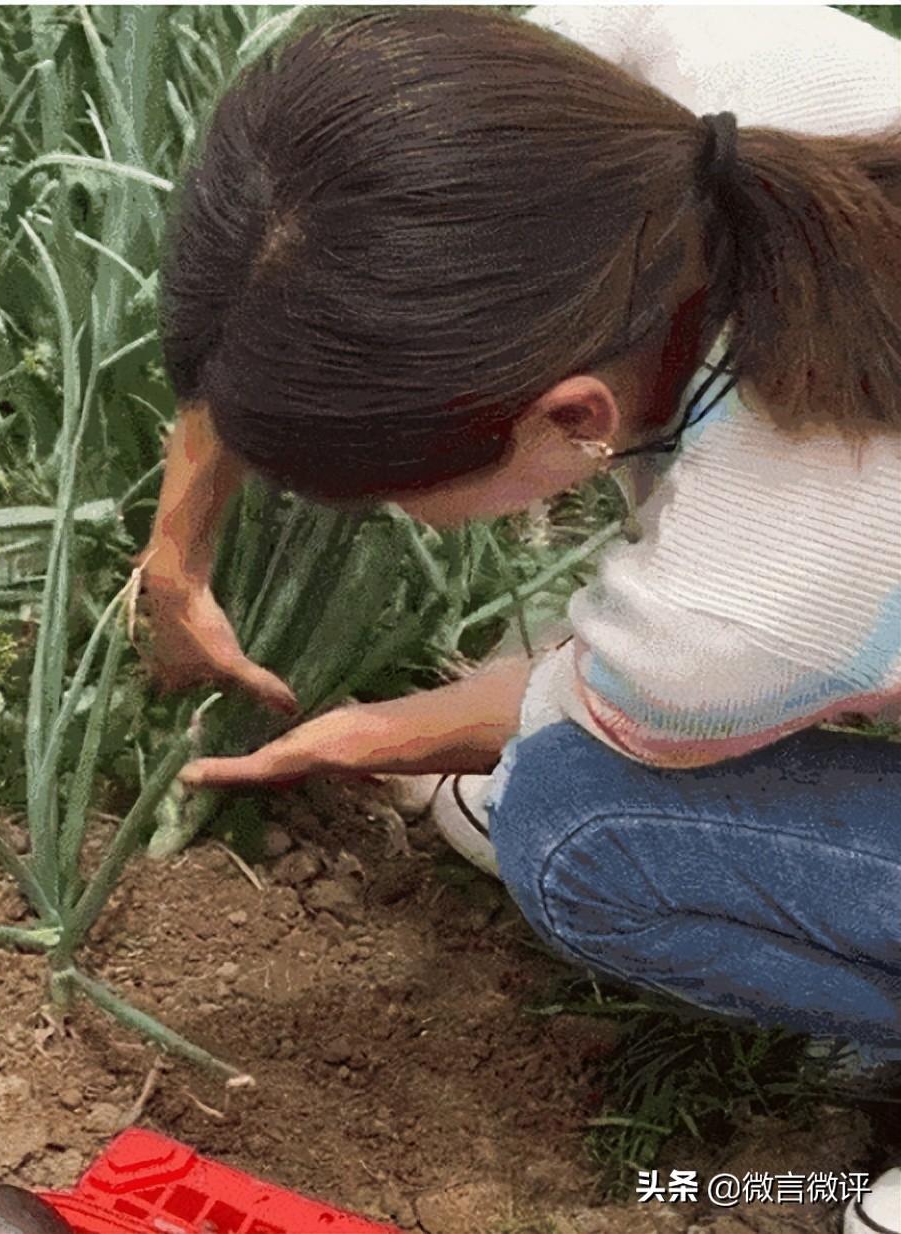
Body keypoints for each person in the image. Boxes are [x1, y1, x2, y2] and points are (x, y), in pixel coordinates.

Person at [134, 7, 901, 1231]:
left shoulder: (744, 596)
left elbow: (591, 694)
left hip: (795, 608)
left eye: (399, 493)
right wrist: (176, 558)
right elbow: (304, 275)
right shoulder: (658, 68)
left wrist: (356, 734)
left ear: (573, 416)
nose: (409, 521)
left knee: (569, 822)